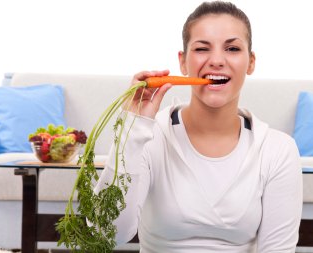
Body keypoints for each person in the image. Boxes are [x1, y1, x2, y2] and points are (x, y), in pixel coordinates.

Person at [95, 1, 302, 252]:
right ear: (183, 63)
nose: (216, 60)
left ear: (251, 62)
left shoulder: (277, 150)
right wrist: (133, 129)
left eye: (233, 48)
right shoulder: (151, 136)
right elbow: (105, 233)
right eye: (202, 49)